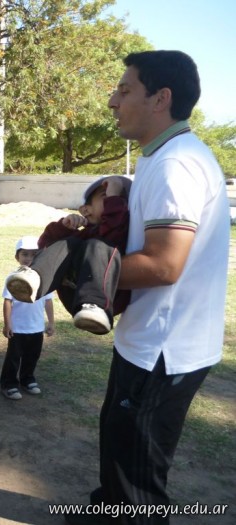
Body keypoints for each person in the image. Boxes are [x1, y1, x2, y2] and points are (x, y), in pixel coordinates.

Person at [63, 50, 231, 525]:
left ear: (161, 98)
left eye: (124, 90)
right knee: (118, 442)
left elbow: (163, 265)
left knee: (137, 475)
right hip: (148, 338)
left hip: (164, 350)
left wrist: (79, 267)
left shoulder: (178, 164)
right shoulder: (163, 157)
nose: (112, 101)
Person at [5, 175, 131, 335]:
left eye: (120, 200)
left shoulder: (121, 230)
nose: (117, 202)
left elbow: (113, 227)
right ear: (85, 210)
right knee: (68, 242)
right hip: (73, 293)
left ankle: (95, 307)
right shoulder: (80, 236)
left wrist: (113, 197)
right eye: (107, 196)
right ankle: (35, 279)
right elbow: (45, 246)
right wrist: (63, 227)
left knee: (98, 245)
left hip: (106, 300)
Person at [1, 237, 55, 400]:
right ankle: (9, 383)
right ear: (17, 256)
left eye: (34, 254)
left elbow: (48, 301)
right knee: (13, 358)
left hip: (36, 327)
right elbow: (8, 301)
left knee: (32, 356)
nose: (29, 258)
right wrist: (8, 324)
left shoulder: (44, 278)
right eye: (25, 254)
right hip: (18, 328)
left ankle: (27, 379)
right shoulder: (13, 277)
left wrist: (51, 322)